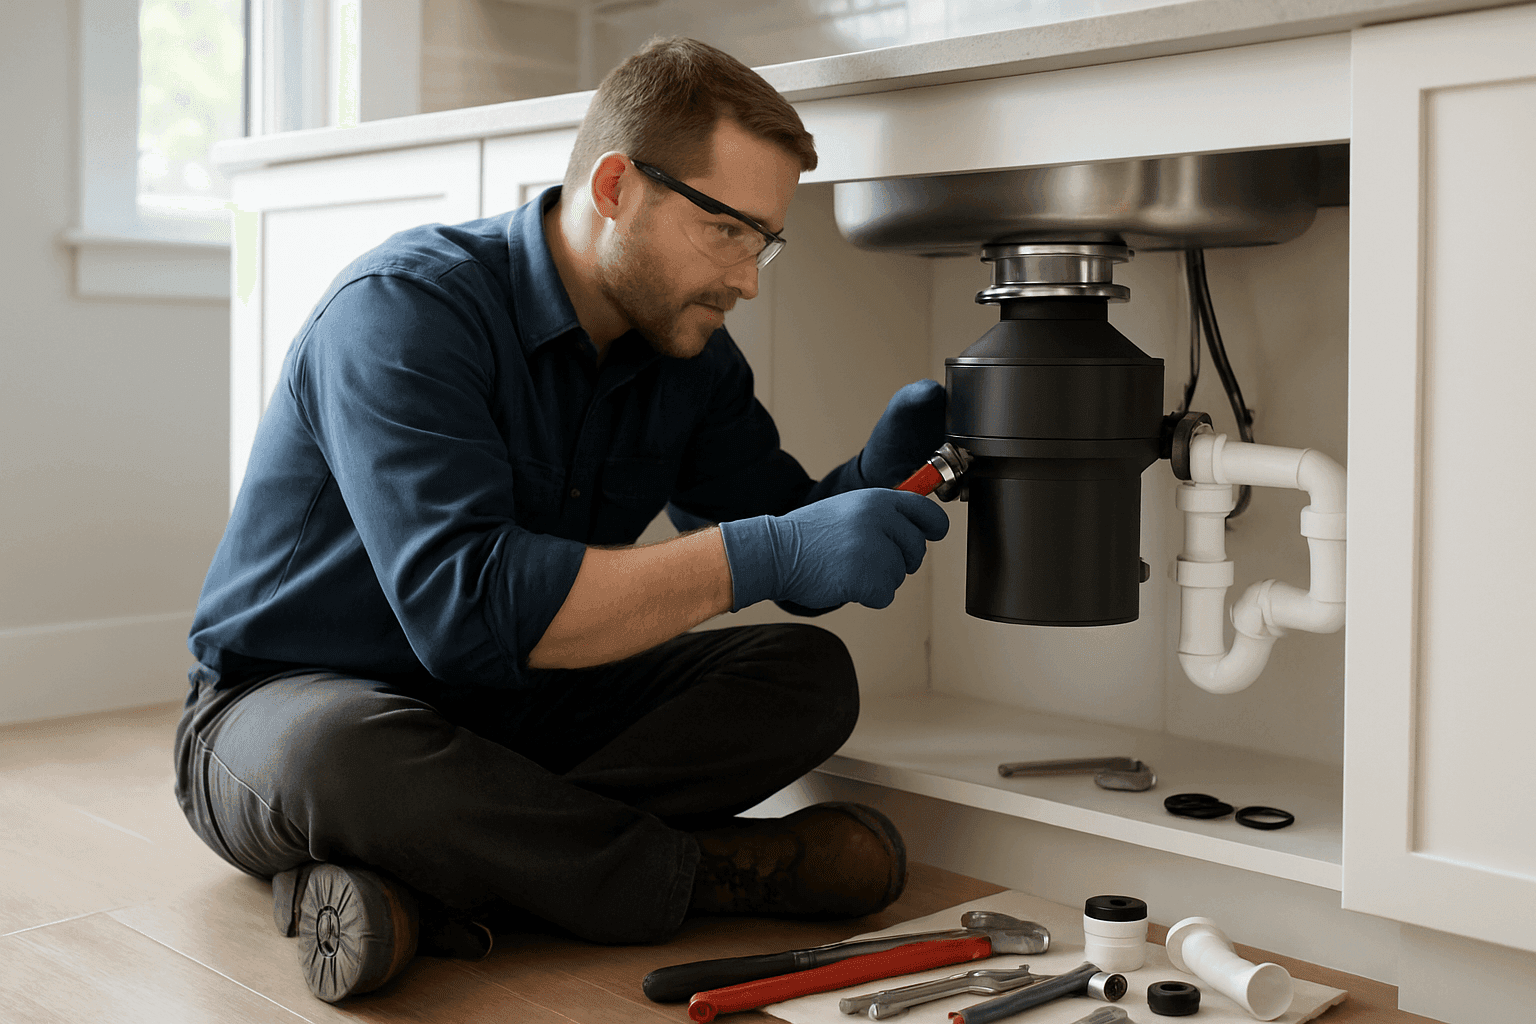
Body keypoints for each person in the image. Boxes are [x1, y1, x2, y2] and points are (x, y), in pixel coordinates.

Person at [174, 36, 950, 1004]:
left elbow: (782, 535)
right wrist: (769, 548)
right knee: (351, 759)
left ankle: (433, 876)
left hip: (511, 715)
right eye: (728, 231)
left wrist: (881, 477)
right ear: (619, 185)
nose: (749, 280)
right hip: (288, 709)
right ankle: (699, 874)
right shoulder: (406, 311)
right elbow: (464, 612)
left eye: (765, 242)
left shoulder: (690, 361)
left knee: (803, 678)